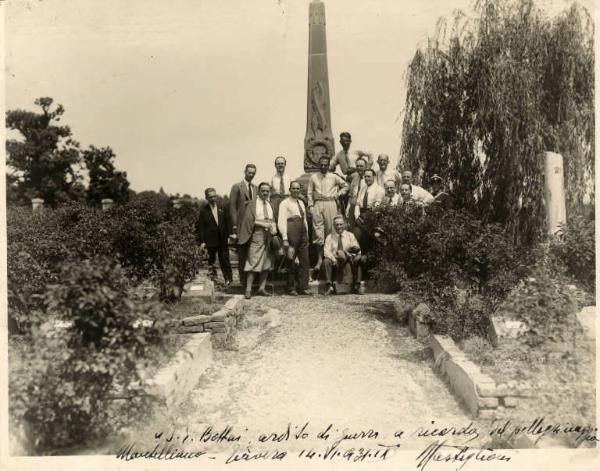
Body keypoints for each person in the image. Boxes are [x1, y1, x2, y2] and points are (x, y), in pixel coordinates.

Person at [307, 156, 348, 274]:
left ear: (329, 165)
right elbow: (309, 193)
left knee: (331, 231)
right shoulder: (313, 177)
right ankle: (320, 260)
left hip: (331, 203)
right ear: (319, 165)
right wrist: (310, 206)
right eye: (322, 164)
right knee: (318, 233)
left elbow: (346, 186)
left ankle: (330, 257)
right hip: (318, 204)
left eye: (326, 164)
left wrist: (338, 194)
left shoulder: (334, 177)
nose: (324, 167)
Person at [238, 182, 277, 299]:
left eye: (267, 191)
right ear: (259, 192)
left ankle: (261, 288)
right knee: (253, 259)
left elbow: (272, 219)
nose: (265, 193)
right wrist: (264, 224)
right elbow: (250, 221)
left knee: (267, 261)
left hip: (269, 235)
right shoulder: (252, 204)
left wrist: (273, 228)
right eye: (263, 191)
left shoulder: (269, 204)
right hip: (257, 233)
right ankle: (248, 289)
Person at [278, 181, 311, 296]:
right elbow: (281, 221)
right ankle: (291, 287)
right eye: (294, 188)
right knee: (291, 258)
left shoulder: (301, 203)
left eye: (298, 189)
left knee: (304, 259)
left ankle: (303, 286)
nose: (296, 191)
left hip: (302, 230)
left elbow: (304, 219)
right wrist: (285, 238)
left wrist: (306, 234)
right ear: (289, 190)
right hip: (291, 229)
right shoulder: (284, 203)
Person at [197, 188, 233, 287]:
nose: (213, 199)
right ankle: (212, 282)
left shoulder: (222, 207)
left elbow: (228, 221)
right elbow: (200, 227)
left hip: (222, 239)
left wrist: (230, 234)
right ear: (206, 198)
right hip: (210, 241)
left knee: (225, 260)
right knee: (211, 262)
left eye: (214, 196)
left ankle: (229, 280)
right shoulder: (204, 211)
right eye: (211, 197)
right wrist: (202, 241)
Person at [229, 164, 258, 284]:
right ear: (245, 172)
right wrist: (235, 227)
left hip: (253, 226)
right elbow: (232, 208)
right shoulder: (237, 187)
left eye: (253, 173)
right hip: (241, 226)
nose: (251, 175)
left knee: (252, 254)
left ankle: (252, 281)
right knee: (242, 254)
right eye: (249, 172)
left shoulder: (256, 188)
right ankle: (243, 281)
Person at [322, 215, 365, 295]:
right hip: (335, 261)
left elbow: (357, 249)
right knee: (326, 261)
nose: (339, 227)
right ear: (334, 225)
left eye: (341, 224)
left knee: (359, 258)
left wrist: (349, 255)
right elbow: (326, 252)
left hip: (348, 260)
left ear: (344, 224)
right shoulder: (329, 237)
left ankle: (357, 285)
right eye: (337, 225)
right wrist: (333, 259)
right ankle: (329, 286)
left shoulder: (350, 235)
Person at [353, 169, 385, 253]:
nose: (366, 179)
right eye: (365, 177)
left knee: (369, 239)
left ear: (374, 177)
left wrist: (368, 218)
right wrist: (357, 217)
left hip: (372, 218)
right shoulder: (363, 189)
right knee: (356, 235)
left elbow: (377, 206)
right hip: (361, 217)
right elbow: (357, 204)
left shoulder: (379, 189)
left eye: (369, 176)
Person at [346, 157, 368, 226]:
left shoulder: (369, 179)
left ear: (366, 166)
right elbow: (351, 195)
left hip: (363, 209)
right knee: (352, 227)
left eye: (361, 166)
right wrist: (348, 208)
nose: (359, 168)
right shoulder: (354, 178)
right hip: (353, 206)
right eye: (357, 166)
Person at [269, 156, 291, 220]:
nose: (280, 165)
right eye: (278, 164)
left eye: (282, 163)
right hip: (275, 201)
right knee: (276, 219)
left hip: (287, 200)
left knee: (287, 219)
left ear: (285, 164)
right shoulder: (271, 178)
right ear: (275, 165)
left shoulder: (289, 177)